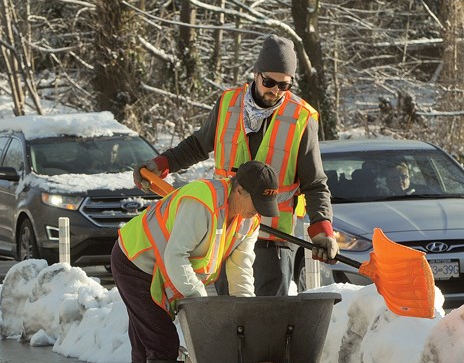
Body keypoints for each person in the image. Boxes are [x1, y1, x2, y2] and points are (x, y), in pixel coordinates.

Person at [133, 35, 338, 297]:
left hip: (272, 237)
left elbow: (315, 183)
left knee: (267, 315)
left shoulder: (301, 118)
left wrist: (322, 230)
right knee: (228, 313)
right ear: (256, 74)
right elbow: (197, 145)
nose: (275, 91)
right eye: (269, 82)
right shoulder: (228, 104)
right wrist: (160, 164)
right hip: (227, 230)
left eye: (284, 85)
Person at [112, 160, 280, 363]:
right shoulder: (201, 203)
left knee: (147, 341)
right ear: (239, 191)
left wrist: (247, 315)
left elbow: (240, 270)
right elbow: (176, 256)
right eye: (255, 203)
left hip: (164, 268)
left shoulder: (249, 221)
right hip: (136, 262)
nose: (257, 212)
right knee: (161, 342)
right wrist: (201, 304)